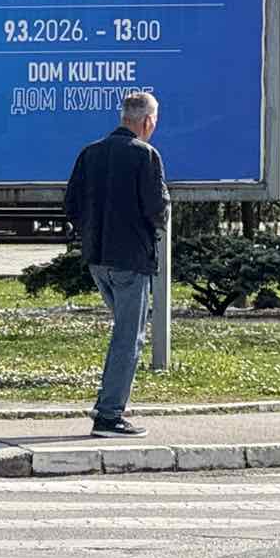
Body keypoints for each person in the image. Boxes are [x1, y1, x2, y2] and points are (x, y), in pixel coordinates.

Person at [64, 90, 169, 438]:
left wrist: (93, 230)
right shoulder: (146, 155)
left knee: (123, 333)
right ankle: (109, 416)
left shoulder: (89, 153)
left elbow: (71, 206)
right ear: (147, 121)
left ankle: (108, 410)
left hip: (98, 259)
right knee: (128, 338)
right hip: (131, 260)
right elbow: (158, 209)